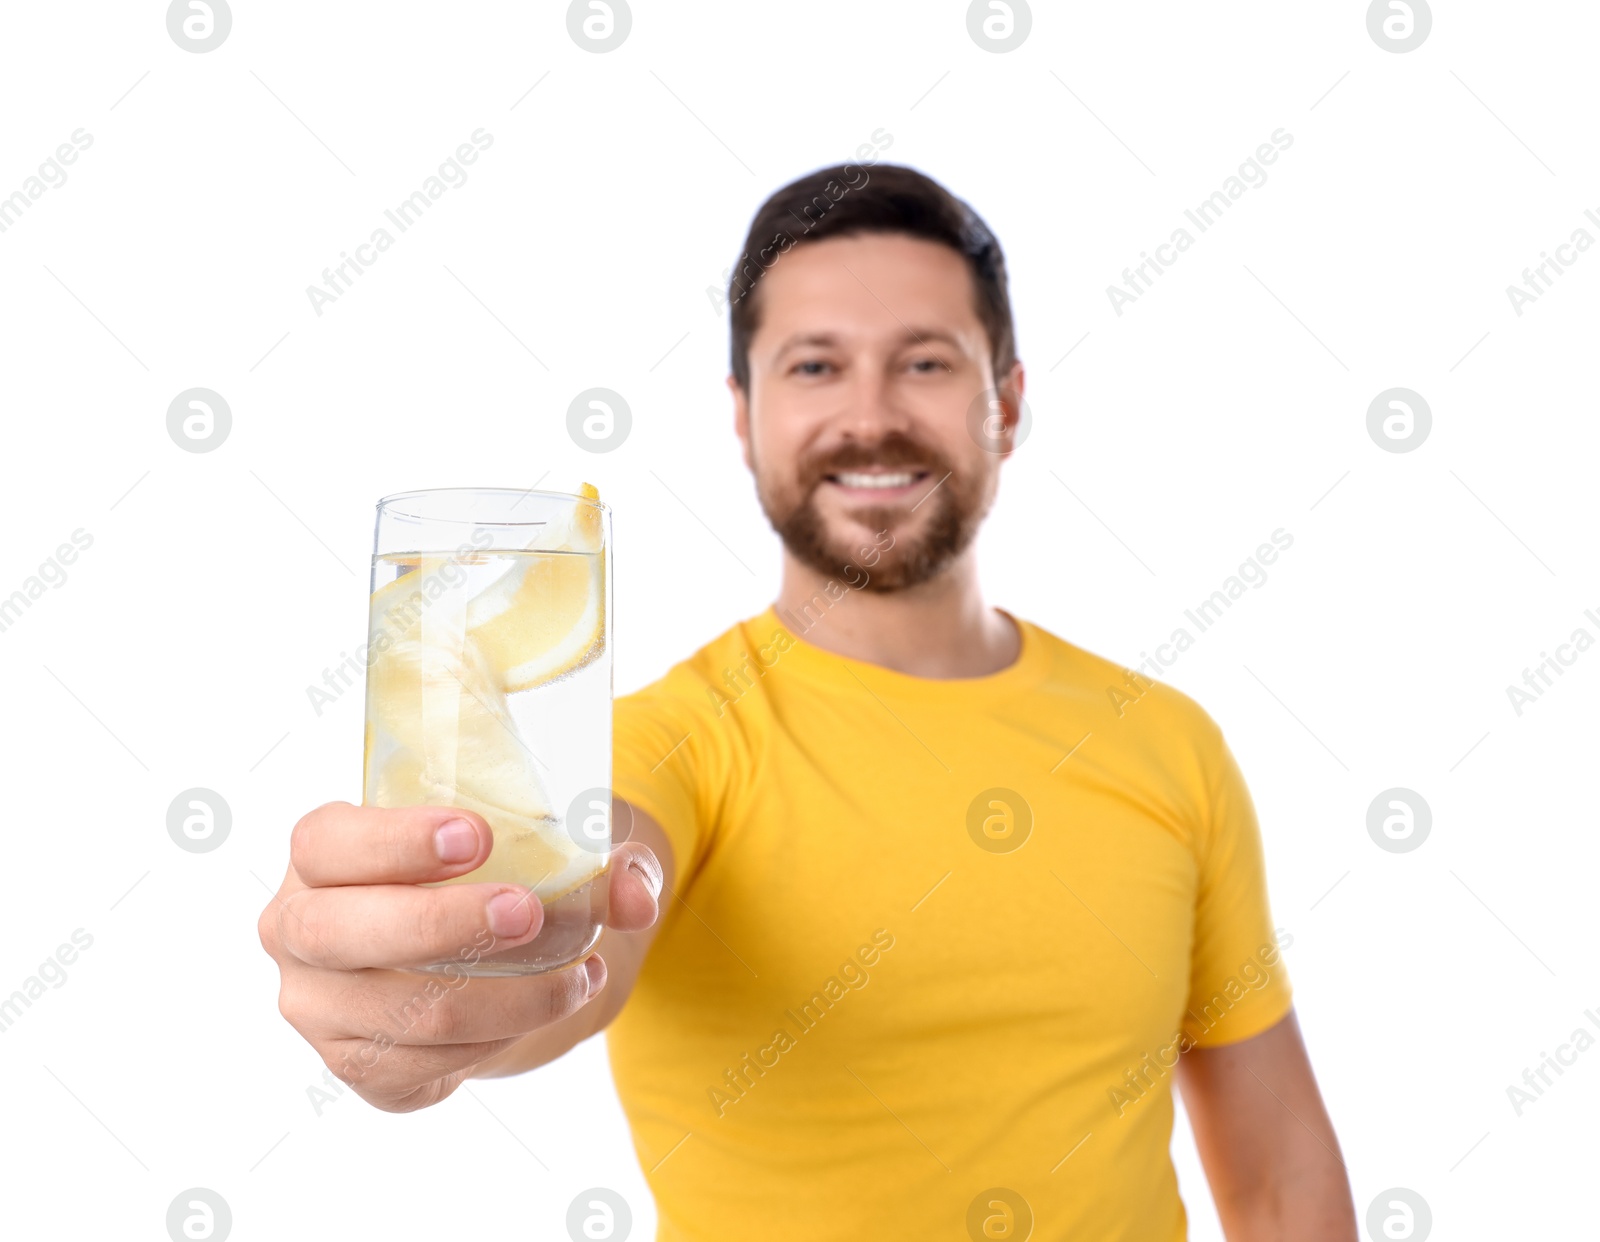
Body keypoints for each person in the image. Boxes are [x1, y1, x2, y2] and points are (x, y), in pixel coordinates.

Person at [259, 163, 1357, 1240]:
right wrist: (428, 1001)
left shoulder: (1168, 743)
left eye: (925, 362)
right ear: (743, 415)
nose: (869, 417)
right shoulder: (671, 746)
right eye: (815, 366)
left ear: (1006, 403)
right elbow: (587, 905)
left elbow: (1277, 1186)